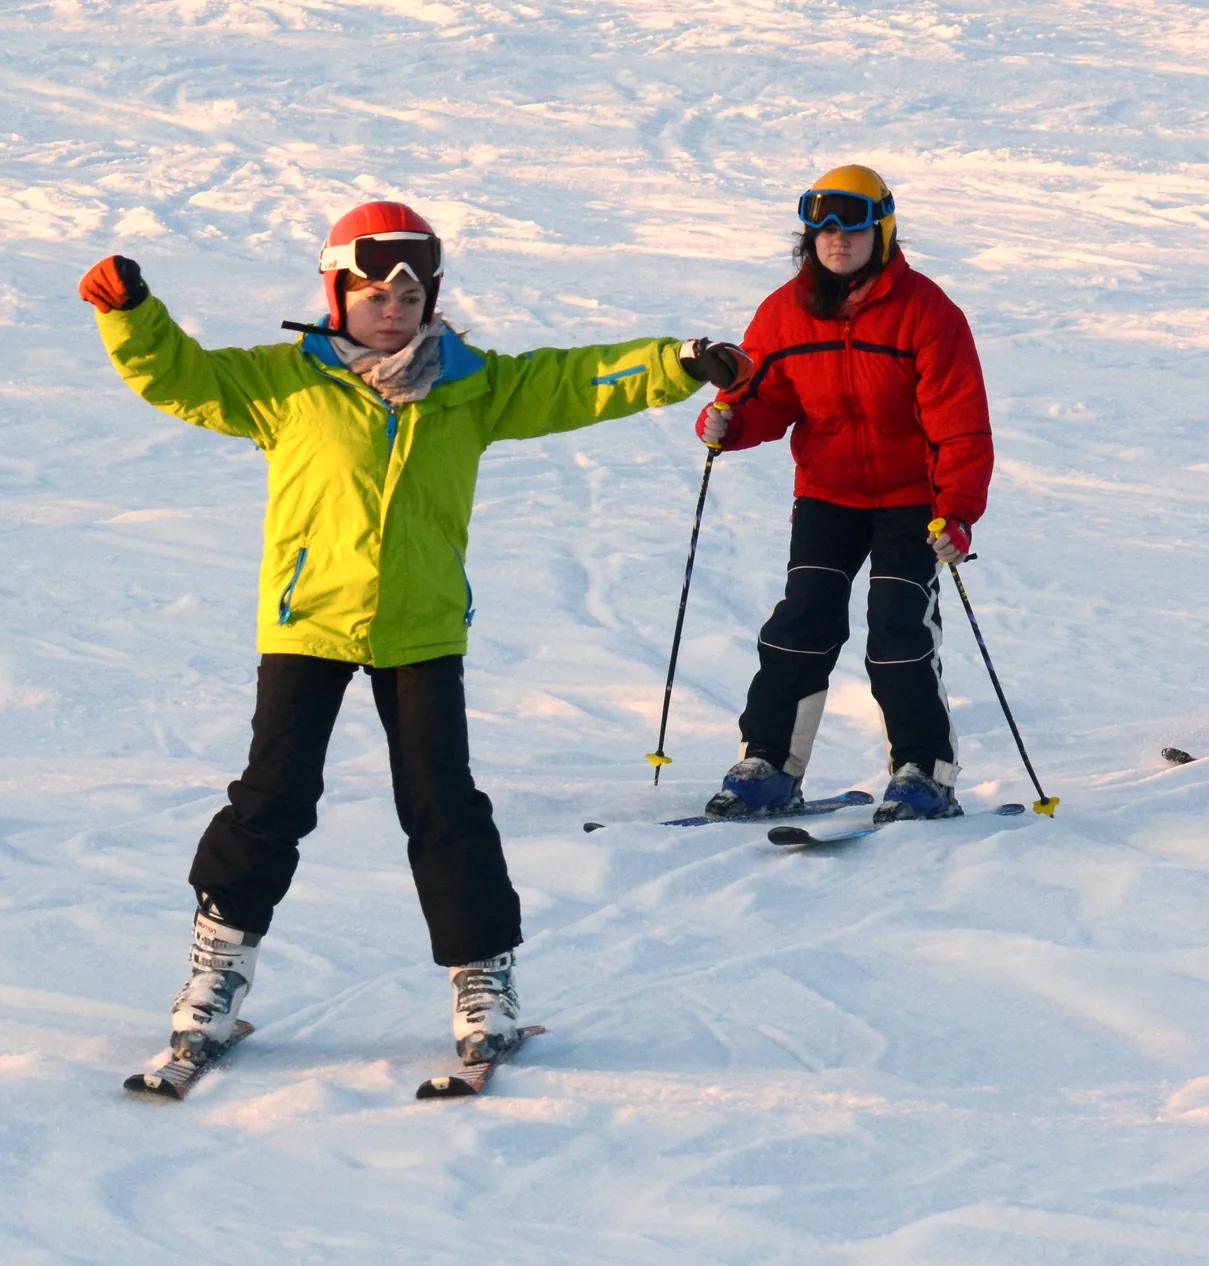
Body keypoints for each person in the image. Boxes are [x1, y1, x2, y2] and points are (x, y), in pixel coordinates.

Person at [84, 201, 750, 1071]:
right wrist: (132, 316)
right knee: (272, 800)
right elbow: (182, 377)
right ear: (337, 294)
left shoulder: (473, 386)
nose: (391, 309)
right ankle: (216, 971)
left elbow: (575, 380)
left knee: (443, 806)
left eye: (410, 293)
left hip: (422, 629)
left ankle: (483, 981)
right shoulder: (283, 384)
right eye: (372, 292)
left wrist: (676, 363)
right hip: (308, 622)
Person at [692, 166, 995, 823]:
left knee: (897, 630)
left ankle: (924, 773)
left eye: (852, 223)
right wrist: (731, 423)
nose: (835, 237)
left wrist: (958, 513)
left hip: (914, 500)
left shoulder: (927, 314)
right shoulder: (784, 312)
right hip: (829, 494)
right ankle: (769, 767)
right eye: (822, 224)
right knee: (801, 624)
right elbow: (763, 393)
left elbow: (959, 423)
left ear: (880, 230)